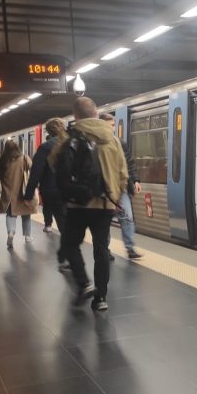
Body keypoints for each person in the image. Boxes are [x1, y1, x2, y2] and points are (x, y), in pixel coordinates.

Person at [57, 97, 129, 312]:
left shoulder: (68, 138)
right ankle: (101, 298)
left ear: (75, 116)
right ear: (96, 113)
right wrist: (117, 197)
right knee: (101, 249)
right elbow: (123, 173)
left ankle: (83, 283)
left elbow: (56, 167)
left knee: (70, 244)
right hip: (105, 204)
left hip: (77, 204)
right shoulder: (113, 139)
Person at [24, 118, 69, 269]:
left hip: (53, 191)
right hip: (74, 191)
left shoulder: (45, 147)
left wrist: (29, 194)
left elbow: (36, 173)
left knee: (64, 225)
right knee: (70, 225)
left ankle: (69, 258)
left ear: (48, 131)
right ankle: (68, 256)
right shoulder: (74, 143)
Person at [100, 112, 143, 260]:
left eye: (113, 125)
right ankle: (105, 249)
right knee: (104, 221)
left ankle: (130, 248)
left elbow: (129, 163)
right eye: (109, 125)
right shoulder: (96, 144)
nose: (112, 128)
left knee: (127, 217)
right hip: (104, 189)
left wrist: (135, 180)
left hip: (121, 187)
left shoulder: (120, 143)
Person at [0, 139, 35, 250]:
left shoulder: (1, 161)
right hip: (23, 192)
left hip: (9, 193)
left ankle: (11, 232)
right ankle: (27, 236)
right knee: (26, 214)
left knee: (10, 215)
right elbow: (32, 169)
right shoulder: (24, 158)